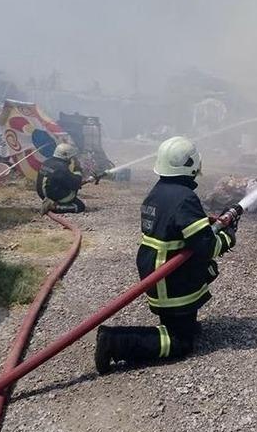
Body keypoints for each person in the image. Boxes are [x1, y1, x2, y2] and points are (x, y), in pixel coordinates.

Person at [94, 136, 237, 374]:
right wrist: (228, 237)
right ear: (191, 165)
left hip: (156, 270)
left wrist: (205, 222)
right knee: (181, 343)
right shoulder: (185, 197)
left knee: (181, 325)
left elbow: (177, 227)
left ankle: (178, 327)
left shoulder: (159, 192)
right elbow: (205, 246)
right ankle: (115, 342)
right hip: (170, 277)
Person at [36, 143, 90, 214]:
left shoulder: (47, 162)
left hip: (42, 194)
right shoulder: (61, 168)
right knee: (80, 206)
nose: (71, 161)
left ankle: (49, 202)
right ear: (66, 156)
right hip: (53, 196)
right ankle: (54, 207)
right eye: (71, 158)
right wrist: (78, 169)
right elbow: (75, 184)